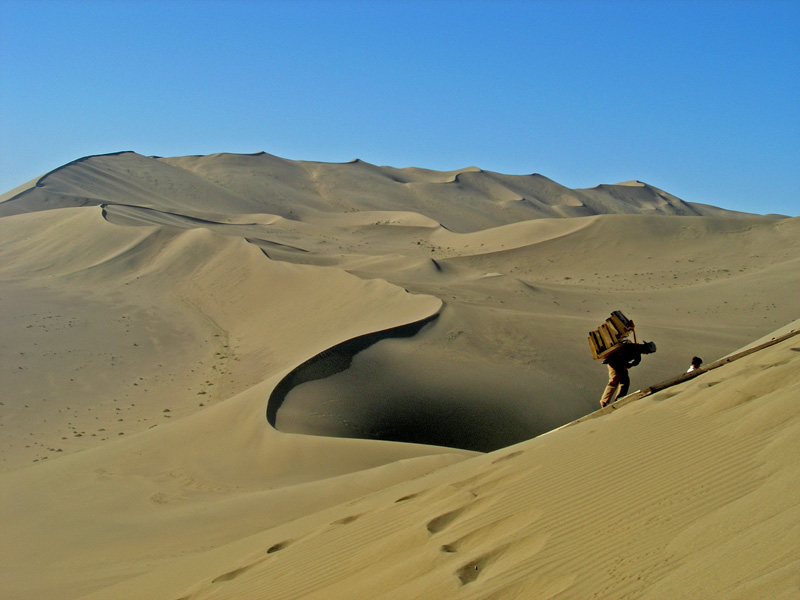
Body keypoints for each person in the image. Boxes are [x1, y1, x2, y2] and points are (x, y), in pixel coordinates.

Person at [600, 341, 656, 407]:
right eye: (648, 352)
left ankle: (619, 400)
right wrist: (626, 364)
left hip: (620, 365)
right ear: (646, 349)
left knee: (625, 382)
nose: (647, 354)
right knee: (614, 381)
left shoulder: (637, 350)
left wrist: (628, 365)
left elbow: (635, 361)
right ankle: (604, 401)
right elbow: (621, 355)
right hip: (614, 363)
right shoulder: (634, 348)